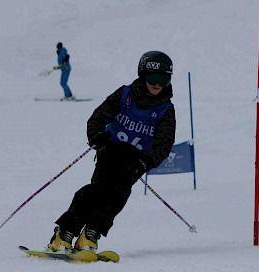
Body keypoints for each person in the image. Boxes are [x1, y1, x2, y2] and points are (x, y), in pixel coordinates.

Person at [48, 50, 176, 252]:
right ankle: (65, 232)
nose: (157, 84)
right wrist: (96, 136)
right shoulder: (125, 94)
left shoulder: (165, 110)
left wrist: (147, 162)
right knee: (99, 190)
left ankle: (91, 233)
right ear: (143, 75)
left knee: (118, 195)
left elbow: (164, 144)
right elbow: (97, 118)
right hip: (111, 149)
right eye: (153, 77)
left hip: (135, 160)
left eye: (163, 79)